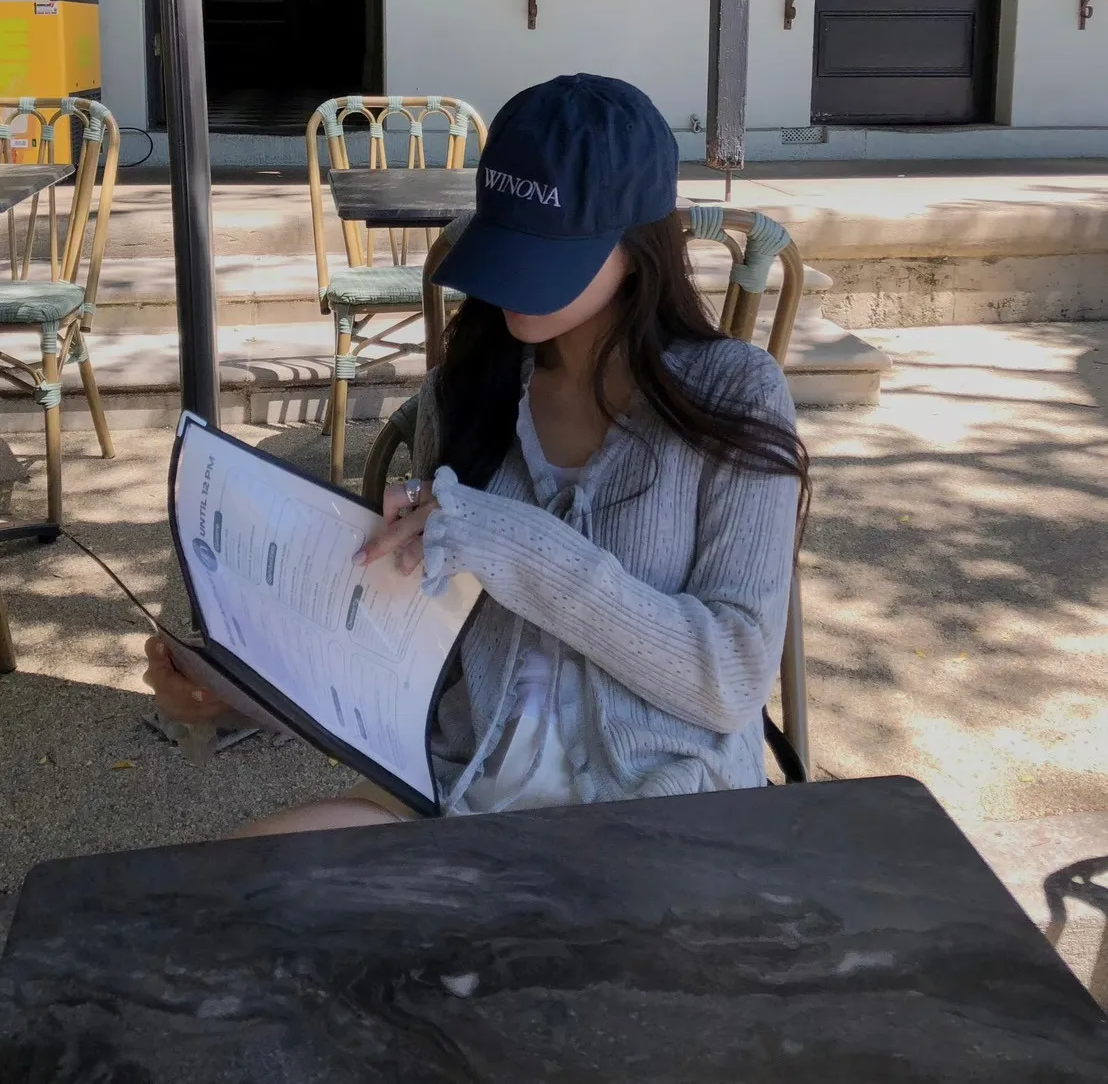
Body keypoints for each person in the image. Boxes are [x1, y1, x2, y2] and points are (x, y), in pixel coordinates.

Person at [144, 74, 809, 837]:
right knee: (231, 874)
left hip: (661, 815)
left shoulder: (736, 394)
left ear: (637, 247)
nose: (513, 283)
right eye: (505, 240)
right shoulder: (462, 395)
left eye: (546, 251)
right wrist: (238, 692)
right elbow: (407, 658)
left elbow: (731, 679)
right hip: (461, 793)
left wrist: (509, 543)